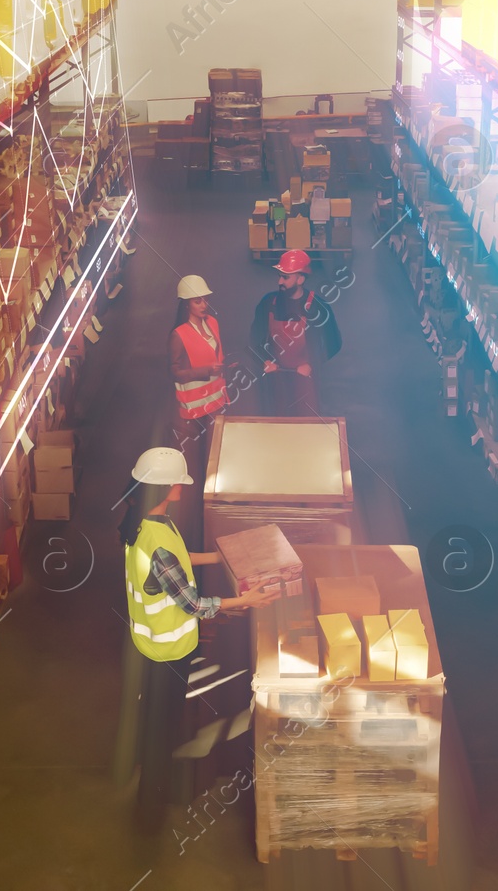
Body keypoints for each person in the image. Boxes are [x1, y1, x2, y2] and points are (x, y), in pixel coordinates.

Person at [120, 447, 278, 824]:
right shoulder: (157, 544)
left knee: (155, 719)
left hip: (152, 645)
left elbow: (179, 560)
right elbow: (191, 604)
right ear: (166, 487)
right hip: (168, 649)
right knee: (163, 725)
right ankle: (150, 810)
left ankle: (150, 785)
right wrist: (245, 600)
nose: (181, 486)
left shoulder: (147, 523)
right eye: (178, 481)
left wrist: (223, 557)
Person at [249, 249, 341, 416]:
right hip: (276, 377)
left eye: (285, 277)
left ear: (301, 278)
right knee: (278, 416)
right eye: (279, 276)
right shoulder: (268, 303)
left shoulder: (318, 307)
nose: (280, 281)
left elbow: (334, 343)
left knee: (307, 419)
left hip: (306, 379)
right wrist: (264, 360)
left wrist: (312, 364)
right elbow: (254, 338)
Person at [169, 275, 232, 471]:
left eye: (205, 300)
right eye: (198, 301)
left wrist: (225, 365)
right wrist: (205, 371)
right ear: (186, 304)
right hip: (193, 406)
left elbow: (215, 352)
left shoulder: (212, 322)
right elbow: (175, 372)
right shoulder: (178, 335)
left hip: (216, 399)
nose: (204, 305)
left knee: (216, 449)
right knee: (193, 455)